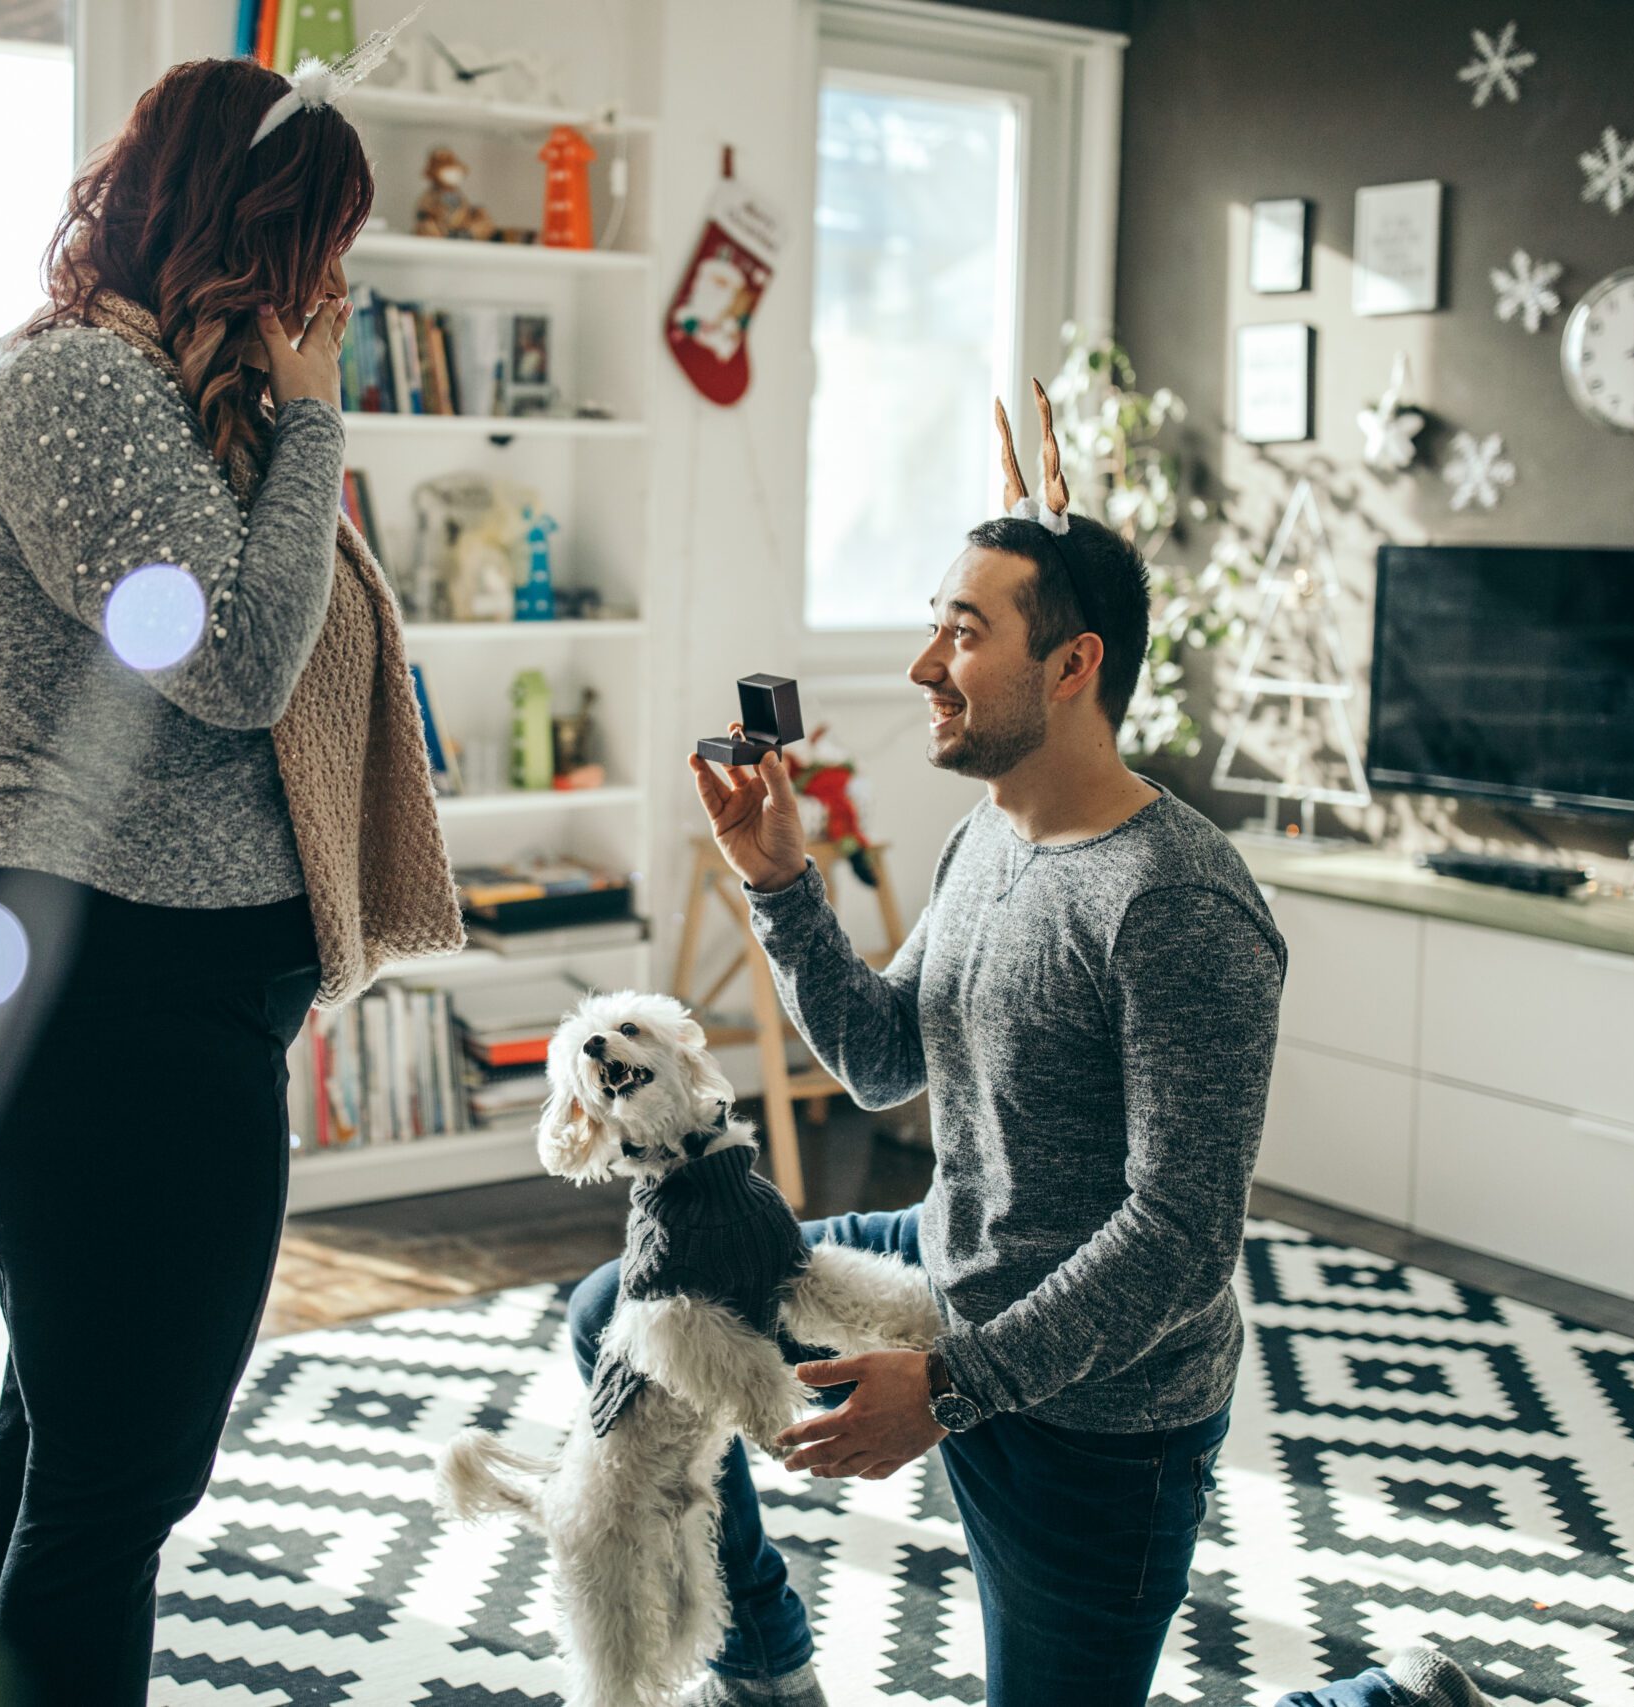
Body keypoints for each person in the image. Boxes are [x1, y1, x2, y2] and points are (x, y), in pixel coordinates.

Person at [571, 389, 1485, 1707]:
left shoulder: (1176, 905)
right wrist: (780, 887)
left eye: (963, 632)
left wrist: (946, 1391)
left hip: (1099, 1410)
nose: (922, 666)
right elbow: (885, 1058)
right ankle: (764, 1667)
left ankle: (1390, 1703)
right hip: (943, 1270)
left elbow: (1181, 1237)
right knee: (628, 1319)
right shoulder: (989, 840)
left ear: (1071, 667)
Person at [0, 54, 461, 1707]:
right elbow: (235, 663)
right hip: (89, 991)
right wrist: (319, 415)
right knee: (125, 1475)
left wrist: (280, 417)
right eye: (324, 243)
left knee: (80, 1436)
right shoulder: (79, 391)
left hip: (130, 986)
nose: (341, 287)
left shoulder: (168, 396)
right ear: (248, 233)